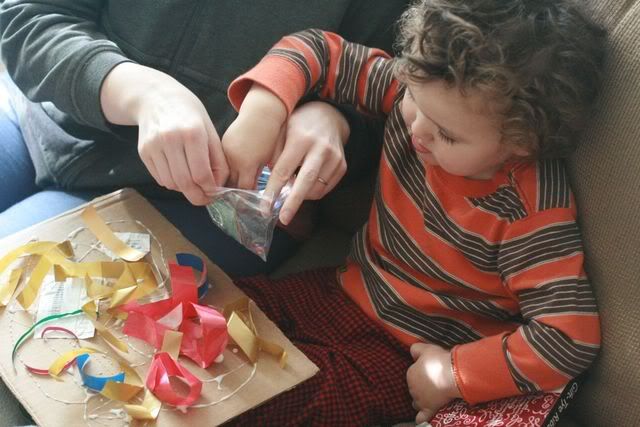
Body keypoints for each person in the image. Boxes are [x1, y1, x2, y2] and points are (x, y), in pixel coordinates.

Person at [221, 0, 606, 424]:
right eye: (414, 103)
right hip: (340, 289)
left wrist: (452, 375)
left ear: (521, 144)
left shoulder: (529, 210)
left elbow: (568, 338)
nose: (416, 129)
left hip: (403, 352)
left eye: (446, 135)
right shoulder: (423, 94)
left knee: (269, 400)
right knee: (214, 315)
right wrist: (265, 109)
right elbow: (317, 51)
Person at [0, 0, 408, 277]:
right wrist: (139, 92)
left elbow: (401, 101)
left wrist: (336, 120)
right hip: (40, 119)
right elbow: (28, 19)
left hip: (218, 204)